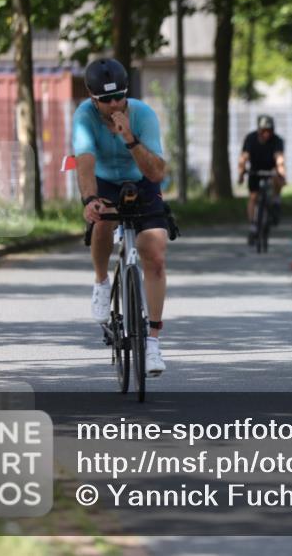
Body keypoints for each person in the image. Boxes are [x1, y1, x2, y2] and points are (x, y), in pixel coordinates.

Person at [73, 58, 170, 376]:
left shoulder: (143, 114)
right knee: (102, 222)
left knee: (154, 253)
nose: (114, 104)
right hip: (104, 182)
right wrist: (89, 199)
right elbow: (85, 160)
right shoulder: (84, 116)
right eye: (106, 99)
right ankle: (101, 282)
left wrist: (129, 137)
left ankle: (153, 344)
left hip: (142, 180)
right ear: (92, 97)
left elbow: (157, 171)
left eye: (119, 97)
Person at [238, 114, 286, 242]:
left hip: (270, 169)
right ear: (259, 130)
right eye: (264, 131)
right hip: (254, 170)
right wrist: (241, 173)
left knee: (277, 176)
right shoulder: (250, 138)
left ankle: (276, 199)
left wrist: (282, 174)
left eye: (269, 131)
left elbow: (279, 159)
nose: (267, 134)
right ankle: (253, 225)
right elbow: (244, 158)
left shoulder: (277, 140)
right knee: (253, 197)